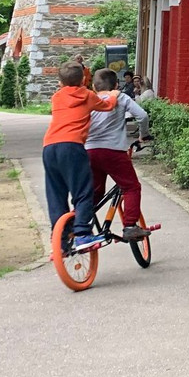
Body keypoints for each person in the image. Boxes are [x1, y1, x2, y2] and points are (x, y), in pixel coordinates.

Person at [42, 61, 117, 249]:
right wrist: (114, 95)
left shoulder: (57, 97)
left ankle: (61, 239)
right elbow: (107, 106)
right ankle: (82, 232)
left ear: (59, 83)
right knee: (83, 191)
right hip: (72, 146)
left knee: (56, 193)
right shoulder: (87, 95)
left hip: (49, 147)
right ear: (84, 79)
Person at [86, 69, 151, 242]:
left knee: (95, 192)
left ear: (94, 86)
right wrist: (143, 135)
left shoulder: (89, 99)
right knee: (131, 187)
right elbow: (142, 116)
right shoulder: (121, 97)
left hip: (89, 151)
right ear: (116, 85)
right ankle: (130, 226)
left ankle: (78, 224)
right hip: (113, 152)